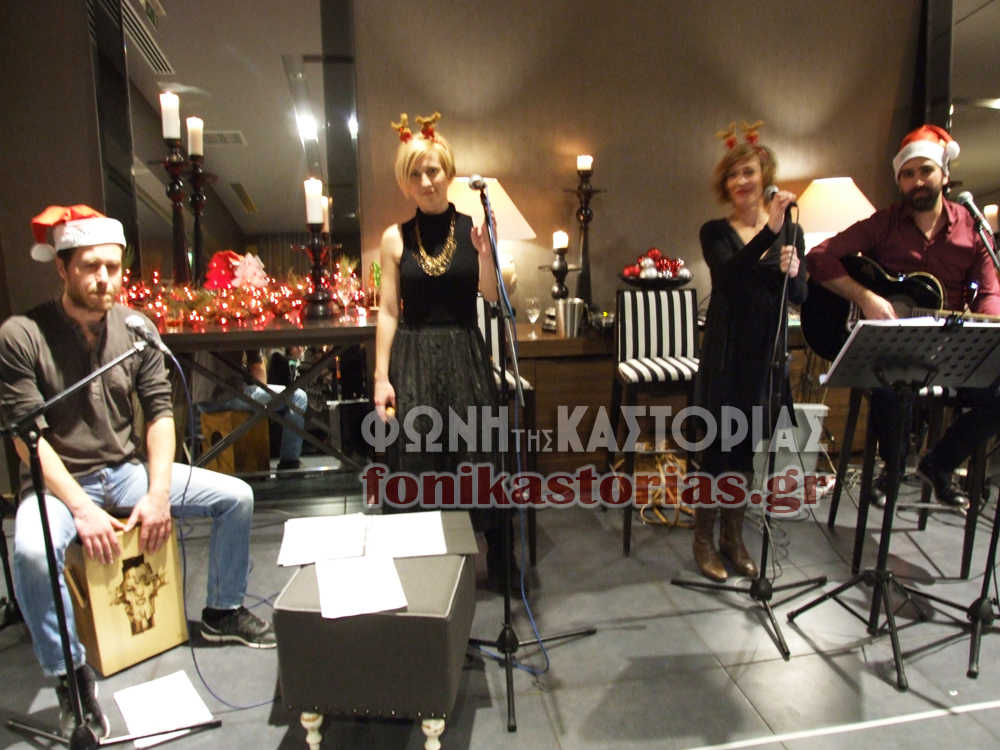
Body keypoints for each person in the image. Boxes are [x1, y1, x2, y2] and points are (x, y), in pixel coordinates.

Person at [0, 205, 274, 739]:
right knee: (31, 552)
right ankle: (70, 677)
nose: (104, 278)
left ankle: (222, 612)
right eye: (90, 267)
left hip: (124, 471)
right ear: (62, 267)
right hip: (57, 485)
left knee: (236, 497)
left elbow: (161, 414)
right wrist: (81, 509)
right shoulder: (21, 335)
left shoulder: (137, 328)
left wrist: (158, 492)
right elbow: (27, 437)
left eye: (112, 267)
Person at [807, 124, 1000, 511]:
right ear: (899, 182)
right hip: (894, 349)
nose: (917, 181)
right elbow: (819, 257)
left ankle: (939, 464)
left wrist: (987, 327)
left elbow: (990, 291)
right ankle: (891, 470)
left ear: (945, 174)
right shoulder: (884, 223)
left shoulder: (972, 230)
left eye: (926, 171)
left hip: (947, 349)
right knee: (890, 384)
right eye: (907, 174)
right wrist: (866, 298)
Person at [373, 112, 506, 585]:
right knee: (418, 457)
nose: (426, 181)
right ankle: (421, 566)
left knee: (475, 453)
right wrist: (381, 377)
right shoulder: (394, 238)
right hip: (412, 358)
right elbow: (388, 311)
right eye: (415, 174)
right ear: (405, 182)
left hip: (465, 352)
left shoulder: (474, 229)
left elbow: (491, 295)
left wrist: (486, 254)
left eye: (432, 171)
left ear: (448, 173)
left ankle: (486, 556)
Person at [692, 126, 803, 582]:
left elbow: (798, 296)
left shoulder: (791, 230)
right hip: (725, 356)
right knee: (717, 450)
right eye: (733, 174)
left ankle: (733, 539)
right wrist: (768, 234)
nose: (741, 181)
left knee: (745, 452)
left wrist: (795, 273)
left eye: (749, 172)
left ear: (765, 176)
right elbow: (729, 277)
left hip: (765, 358)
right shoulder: (715, 232)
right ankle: (703, 539)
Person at [195, 348, 309, 470]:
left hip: (200, 398)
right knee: (298, 397)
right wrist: (267, 408)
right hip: (230, 395)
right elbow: (257, 368)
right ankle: (289, 464)